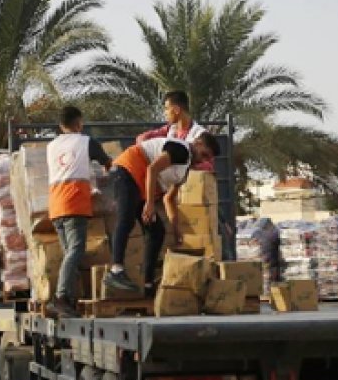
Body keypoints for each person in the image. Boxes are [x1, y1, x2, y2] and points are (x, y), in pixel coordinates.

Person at [103, 132, 220, 294]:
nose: (202, 161)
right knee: (126, 218)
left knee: (156, 231)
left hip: (140, 185)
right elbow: (152, 169)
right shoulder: (182, 150)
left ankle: (148, 285)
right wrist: (150, 204)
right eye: (204, 154)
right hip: (127, 171)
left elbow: (169, 199)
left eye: (207, 159)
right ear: (197, 143)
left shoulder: (184, 171)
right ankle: (115, 271)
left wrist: (176, 228)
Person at [46, 105, 112, 318]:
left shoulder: (52, 146)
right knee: (76, 251)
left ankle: (69, 303)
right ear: (79, 123)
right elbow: (108, 164)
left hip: (56, 205)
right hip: (74, 203)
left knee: (69, 255)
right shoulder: (86, 142)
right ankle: (61, 297)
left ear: (61, 125)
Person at [139, 90, 207, 145]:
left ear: (176, 110)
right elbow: (142, 138)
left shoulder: (200, 134)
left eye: (167, 108)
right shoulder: (169, 129)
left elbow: (207, 161)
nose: (165, 113)